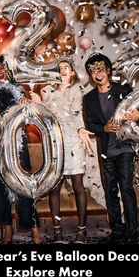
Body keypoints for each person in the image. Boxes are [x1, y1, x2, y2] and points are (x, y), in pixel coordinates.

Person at [83, 52, 139, 244]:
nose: (97, 74)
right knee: (110, 191)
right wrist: (103, 128)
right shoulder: (89, 98)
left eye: (100, 69)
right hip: (106, 152)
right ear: (90, 75)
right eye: (93, 71)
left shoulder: (125, 90)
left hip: (125, 149)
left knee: (126, 189)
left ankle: (133, 233)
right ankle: (117, 232)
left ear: (108, 70)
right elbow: (90, 124)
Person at [30, 59, 93, 244]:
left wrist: (81, 129)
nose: (62, 70)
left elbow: (76, 112)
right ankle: (57, 232)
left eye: (66, 68)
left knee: (78, 186)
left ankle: (82, 231)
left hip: (73, 140)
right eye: (60, 68)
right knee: (55, 188)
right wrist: (39, 103)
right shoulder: (48, 90)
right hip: (55, 142)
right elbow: (44, 117)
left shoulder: (76, 90)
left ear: (72, 72)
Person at [0, 56, 41, 244]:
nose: (0, 71)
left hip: (18, 142)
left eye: (2, 67)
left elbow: (30, 116)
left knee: (25, 184)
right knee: (1, 186)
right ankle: (8, 229)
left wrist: (26, 102)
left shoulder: (19, 89)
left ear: (8, 69)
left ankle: (34, 228)